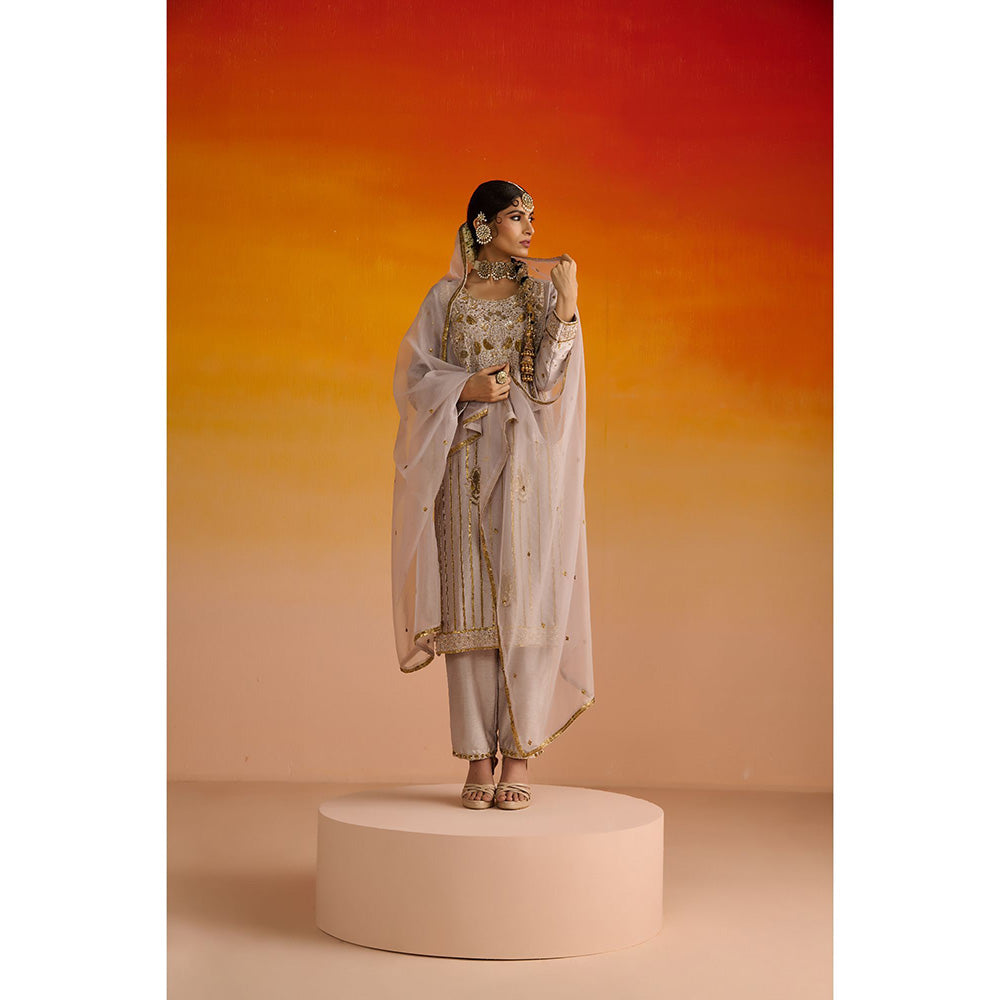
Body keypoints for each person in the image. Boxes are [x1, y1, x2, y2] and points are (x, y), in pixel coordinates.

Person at [390, 180, 595, 811]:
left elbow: (549, 383)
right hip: (462, 467)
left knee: (525, 602)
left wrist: (566, 310)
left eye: (533, 216)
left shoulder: (540, 295)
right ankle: (478, 756)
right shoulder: (444, 300)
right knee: (469, 606)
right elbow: (413, 379)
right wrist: (464, 387)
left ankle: (520, 754)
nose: (530, 228)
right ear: (483, 226)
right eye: (515, 216)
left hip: (527, 471)